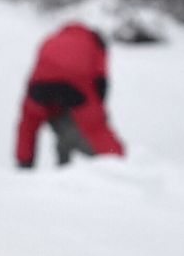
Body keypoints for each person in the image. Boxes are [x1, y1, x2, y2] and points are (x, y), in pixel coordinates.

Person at [14, 22, 126, 168]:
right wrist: (97, 108)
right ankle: (119, 165)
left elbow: (39, 68)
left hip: (39, 87)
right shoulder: (96, 43)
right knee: (95, 129)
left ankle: (24, 165)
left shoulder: (50, 39)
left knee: (28, 124)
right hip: (75, 88)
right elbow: (100, 81)